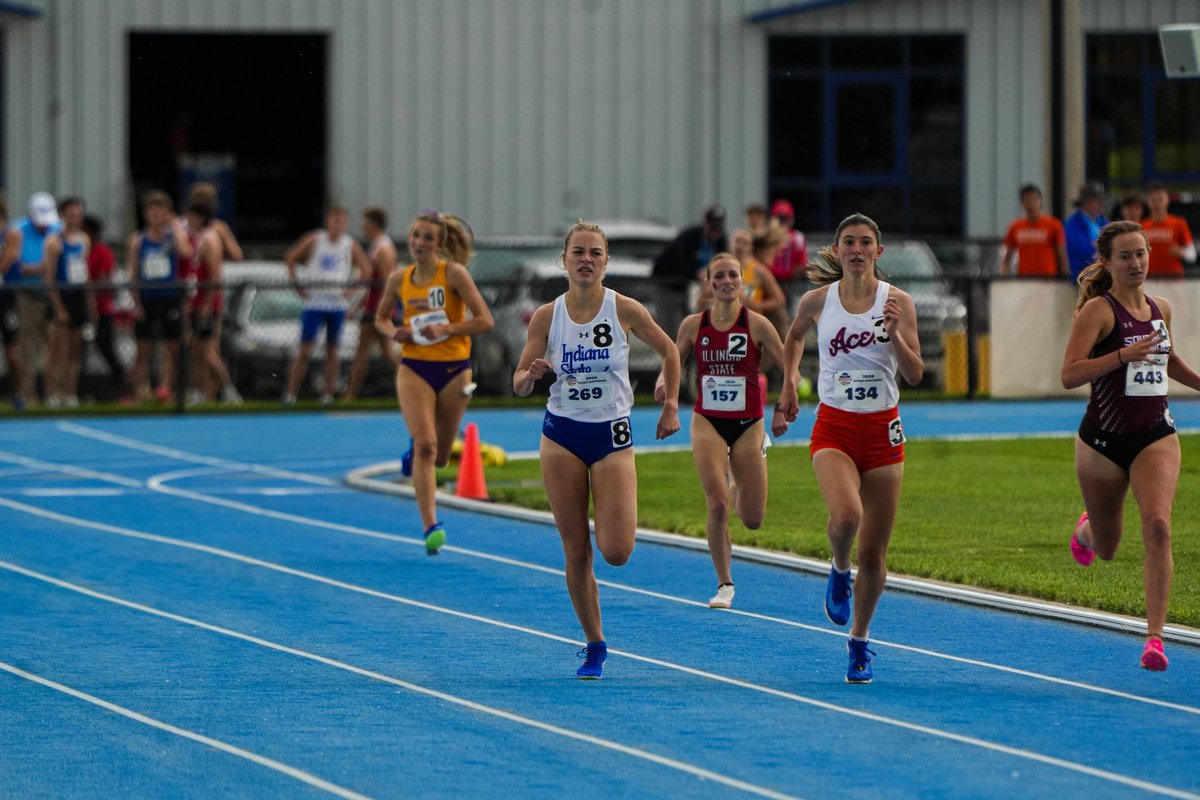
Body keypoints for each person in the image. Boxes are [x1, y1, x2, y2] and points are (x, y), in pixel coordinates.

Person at [514, 221, 680, 679]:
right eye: (578, 252)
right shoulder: (548, 316)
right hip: (562, 435)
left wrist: (670, 402)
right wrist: (531, 375)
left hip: (610, 435)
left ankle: (596, 634)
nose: (586, 260)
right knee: (576, 549)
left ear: (605, 262)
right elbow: (519, 382)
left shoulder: (623, 308)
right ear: (564, 260)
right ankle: (595, 644)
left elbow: (670, 351)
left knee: (617, 550)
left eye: (595, 253)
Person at [774, 213, 923, 684]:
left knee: (874, 555)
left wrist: (894, 333)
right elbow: (794, 336)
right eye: (849, 242)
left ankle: (858, 641)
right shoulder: (818, 300)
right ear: (837, 251)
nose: (857, 250)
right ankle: (839, 567)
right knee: (846, 517)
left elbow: (915, 374)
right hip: (835, 428)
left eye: (865, 242)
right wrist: (790, 383)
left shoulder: (898, 302)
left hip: (882, 432)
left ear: (878, 251)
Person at [1060, 220, 1200, 672]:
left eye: (1141, 253)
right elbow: (1069, 374)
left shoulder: (1161, 309)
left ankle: (1155, 639)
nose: (1136, 263)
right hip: (1102, 442)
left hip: (1155, 435)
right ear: (1107, 262)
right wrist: (1122, 355)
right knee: (1107, 546)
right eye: (1125, 256)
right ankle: (1086, 532)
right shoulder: (1099, 312)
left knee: (1158, 527)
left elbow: (1168, 360)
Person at [660, 252, 785, 608]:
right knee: (716, 503)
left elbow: (788, 366)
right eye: (719, 276)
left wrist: (784, 403)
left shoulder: (758, 325)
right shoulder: (693, 325)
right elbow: (673, 359)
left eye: (733, 275)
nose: (727, 281)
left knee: (752, 518)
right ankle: (724, 583)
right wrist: (664, 387)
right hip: (707, 421)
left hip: (749, 424)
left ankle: (740, 479)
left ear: (742, 281)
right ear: (709, 282)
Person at [374, 211, 493, 553]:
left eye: (427, 237)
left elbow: (485, 320)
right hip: (415, 368)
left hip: (455, 370)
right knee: (426, 445)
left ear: (440, 244)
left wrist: (447, 328)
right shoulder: (399, 279)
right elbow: (380, 318)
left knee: (439, 456)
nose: (420, 242)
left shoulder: (453, 274)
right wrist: (394, 332)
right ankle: (431, 526)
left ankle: (418, 451)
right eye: (415, 235)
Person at [282, 205, 371, 405]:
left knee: (332, 350)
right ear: (327, 221)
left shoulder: (350, 244)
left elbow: (365, 269)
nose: (337, 224)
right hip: (315, 302)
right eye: (334, 219)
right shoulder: (315, 240)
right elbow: (290, 257)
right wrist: (298, 286)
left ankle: (327, 394)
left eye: (341, 220)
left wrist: (351, 290)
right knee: (305, 349)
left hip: (336, 304)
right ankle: (290, 393)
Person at [128, 190, 193, 403]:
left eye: (161, 211)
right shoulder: (139, 241)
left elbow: (186, 251)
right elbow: (133, 273)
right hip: (147, 298)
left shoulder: (171, 239)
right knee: (143, 349)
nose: (156, 215)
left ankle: (165, 389)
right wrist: (135, 302)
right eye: (152, 211)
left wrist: (174, 225)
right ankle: (140, 391)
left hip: (169, 297)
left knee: (172, 347)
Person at [185, 200, 241, 404]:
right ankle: (199, 391)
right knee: (197, 351)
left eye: (191, 216)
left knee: (208, 351)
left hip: (207, 303)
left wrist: (207, 305)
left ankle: (229, 389)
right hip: (198, 301)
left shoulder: (209, 240)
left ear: (200, 218)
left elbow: (214, 277)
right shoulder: (198, 238)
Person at [345, 206, 400, 400]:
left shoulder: (384, 249)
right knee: (385, 353)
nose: (363, 228)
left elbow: (387, 281)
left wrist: (381, 311)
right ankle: (411, 388)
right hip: (372, 307)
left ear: (375, 225)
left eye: (366, 224)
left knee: (363, 353)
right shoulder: (377, 246)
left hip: (377, 309)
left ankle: (351, 395)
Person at [13, 192, 63, 405]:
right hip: (29, 296)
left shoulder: (58, 229)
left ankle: (53, 394)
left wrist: (39, 267)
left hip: (53, 296)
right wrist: (42, 267)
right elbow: (17, 265)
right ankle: (28, 394)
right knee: (28, 346)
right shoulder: (17, 231)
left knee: (55, 346)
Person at [42, 197, 92, 408]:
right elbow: (49, 279)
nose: (75, 219)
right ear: (63, 216)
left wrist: (90, 303)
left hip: (78, 297)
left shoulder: (84, 240)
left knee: (74, 352)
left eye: (78, 215)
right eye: (71, 215)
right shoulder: (55, 242)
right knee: (57, 351)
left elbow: (85, 273)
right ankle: (52, 393)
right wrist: (58, 307)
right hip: (62, 297)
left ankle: (70, 393)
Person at [81, 214, 131, 403]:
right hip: (81, 308)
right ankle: (80, 391)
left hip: (102, 309)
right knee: (79, 351)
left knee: (106, 347)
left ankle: (121, 386)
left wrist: (92, 300)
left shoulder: (102, 251)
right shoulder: (81, 250)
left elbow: (104, 278)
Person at [653, 204, 729, 300]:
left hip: (694, 286)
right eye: (712, 228)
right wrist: (698, 273)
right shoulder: (690, 236)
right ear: (705, 223)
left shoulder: (721, 241)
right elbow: (683, 262)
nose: (715, 233)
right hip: (668, 283)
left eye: (718, 229)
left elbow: (723, 261)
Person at [999, 183, 1068, 278]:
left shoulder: (1054, 225)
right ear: (1022, 204)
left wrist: (1064, 277)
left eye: (1034, 199)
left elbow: (1062, 256)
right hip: (1024, 279)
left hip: (1048, 279)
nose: (1031, 204)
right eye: (1027, 200)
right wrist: (1005, 277)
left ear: (1041, 201)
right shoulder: (1015, 227)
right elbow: (1007, 257)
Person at [0, 193, 26, 409]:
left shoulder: (12, 234)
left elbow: (7, 262)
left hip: (6, 297)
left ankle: (18, 392)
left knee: (11, 347)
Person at [1141, 182, 1195, 278]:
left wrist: (1181, 252)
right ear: (1148, 202)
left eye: (1160, 199)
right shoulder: (1141, 226)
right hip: (1149, 278)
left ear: (1167, 200)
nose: (1157, 204)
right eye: (1153, 200)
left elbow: (1192, 255)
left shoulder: (1179, 223)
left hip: (1174, 277)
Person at [1065, 182, 1109, 283]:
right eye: (1097, 200)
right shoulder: (1072, 224)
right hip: (1082, 277)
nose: (1101, 203)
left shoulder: (1104, 222)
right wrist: (1102, 246)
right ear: (1086, 202)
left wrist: (1097, 245)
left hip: (1104, 278)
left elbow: (1114, 246)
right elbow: (1080, 250)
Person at [767, 199, 809, 290]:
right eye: (780, 219)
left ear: (792, 219)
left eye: (785, 218)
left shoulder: (798, 237)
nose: (782, 222)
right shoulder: (766, 236)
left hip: (791, 283)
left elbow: (802, 264)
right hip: (769, 280)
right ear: (773, 219)